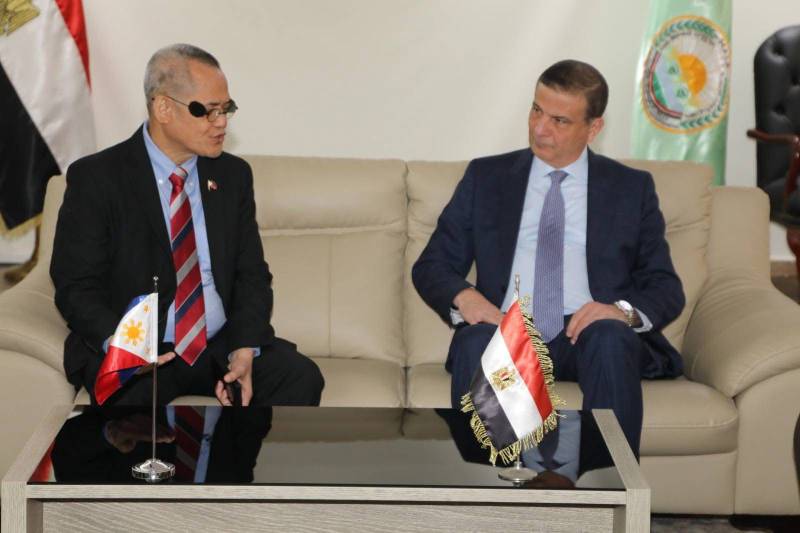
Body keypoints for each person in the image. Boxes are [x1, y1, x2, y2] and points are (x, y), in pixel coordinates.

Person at [412, 59, 684, 457]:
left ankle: (609, 484)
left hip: (586, 334)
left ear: (594, 127)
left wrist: (619, 311)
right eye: (537, 111)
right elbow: (432, 264)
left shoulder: (630, 189)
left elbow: (665, 286)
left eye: (559, 120)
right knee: (476, 342)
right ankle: (486, 488)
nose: (540, 128)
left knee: (611, 338)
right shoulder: (487, 178)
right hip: (507, 329)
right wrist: (466, 298)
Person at [50, 43, 324, 407]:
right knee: (128, 409)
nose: (221, 122)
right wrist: (124, 347)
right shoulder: (98, 178)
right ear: (163, 108)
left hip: (219, 344)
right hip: (141, 350)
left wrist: (244, 347)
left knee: (300, 378)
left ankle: (232, 445)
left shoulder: (232, 176)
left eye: (226, 109)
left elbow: (251, 275)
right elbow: (75, 285)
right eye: (207, 111)